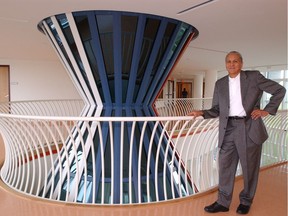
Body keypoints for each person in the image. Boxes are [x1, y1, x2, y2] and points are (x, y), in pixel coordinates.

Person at [188, 51, 286, 214]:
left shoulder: (253, 77)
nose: (231, 64)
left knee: (249, 168)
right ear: (225, 64)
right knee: (225, 166)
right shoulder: (220, 84)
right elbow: (217, 109)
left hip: (248, 127)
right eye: (228, 61)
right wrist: (202, 113)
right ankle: (223, 202)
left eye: (235, 61)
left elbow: (279, 90)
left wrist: (267, 111)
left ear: (241, 63)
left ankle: (246, 201)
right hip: (228, 129)